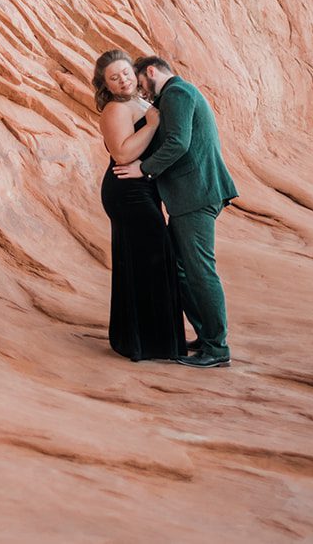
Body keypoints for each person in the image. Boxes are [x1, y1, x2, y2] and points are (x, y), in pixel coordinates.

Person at [115, 56, 239, 368]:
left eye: (142, 84)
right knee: (181, 269)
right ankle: (207, 335)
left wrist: (143, 169)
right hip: (192, 196)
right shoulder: (177, 94)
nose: (144, 93)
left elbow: (179, 142)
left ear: (151, 72)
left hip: (196, 195)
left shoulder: (176, 94)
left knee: (200, 271)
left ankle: (218, 348)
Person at [93, 49, 186, 362]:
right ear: (106, 85)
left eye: (125, 73)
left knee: (144, 262)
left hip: (142, 188)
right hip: (126, 190)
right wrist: (150, 125)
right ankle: (149, 344)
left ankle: (139, 341)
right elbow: (121, 154)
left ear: (135, 72)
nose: (123, 81)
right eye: (114, 78)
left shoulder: (142, 102)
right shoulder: (115, 109)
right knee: (156, 258)